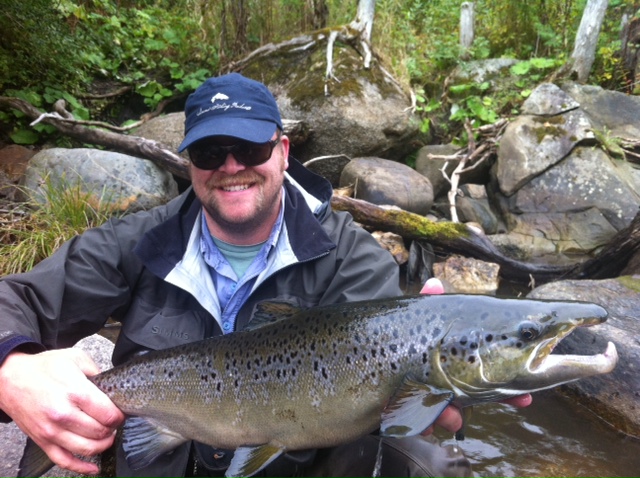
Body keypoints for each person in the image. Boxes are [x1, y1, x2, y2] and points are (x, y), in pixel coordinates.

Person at [0, 73, 530, 478]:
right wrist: (12, 370)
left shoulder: (353, 257)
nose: (231, 167)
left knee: (425, 457)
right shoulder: (139, 239)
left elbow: (398, 380)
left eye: (250, 148)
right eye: (210, 151)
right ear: (189, 163)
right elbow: (15, 299)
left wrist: (433, 374)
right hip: (160, 457)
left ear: (282, 151)